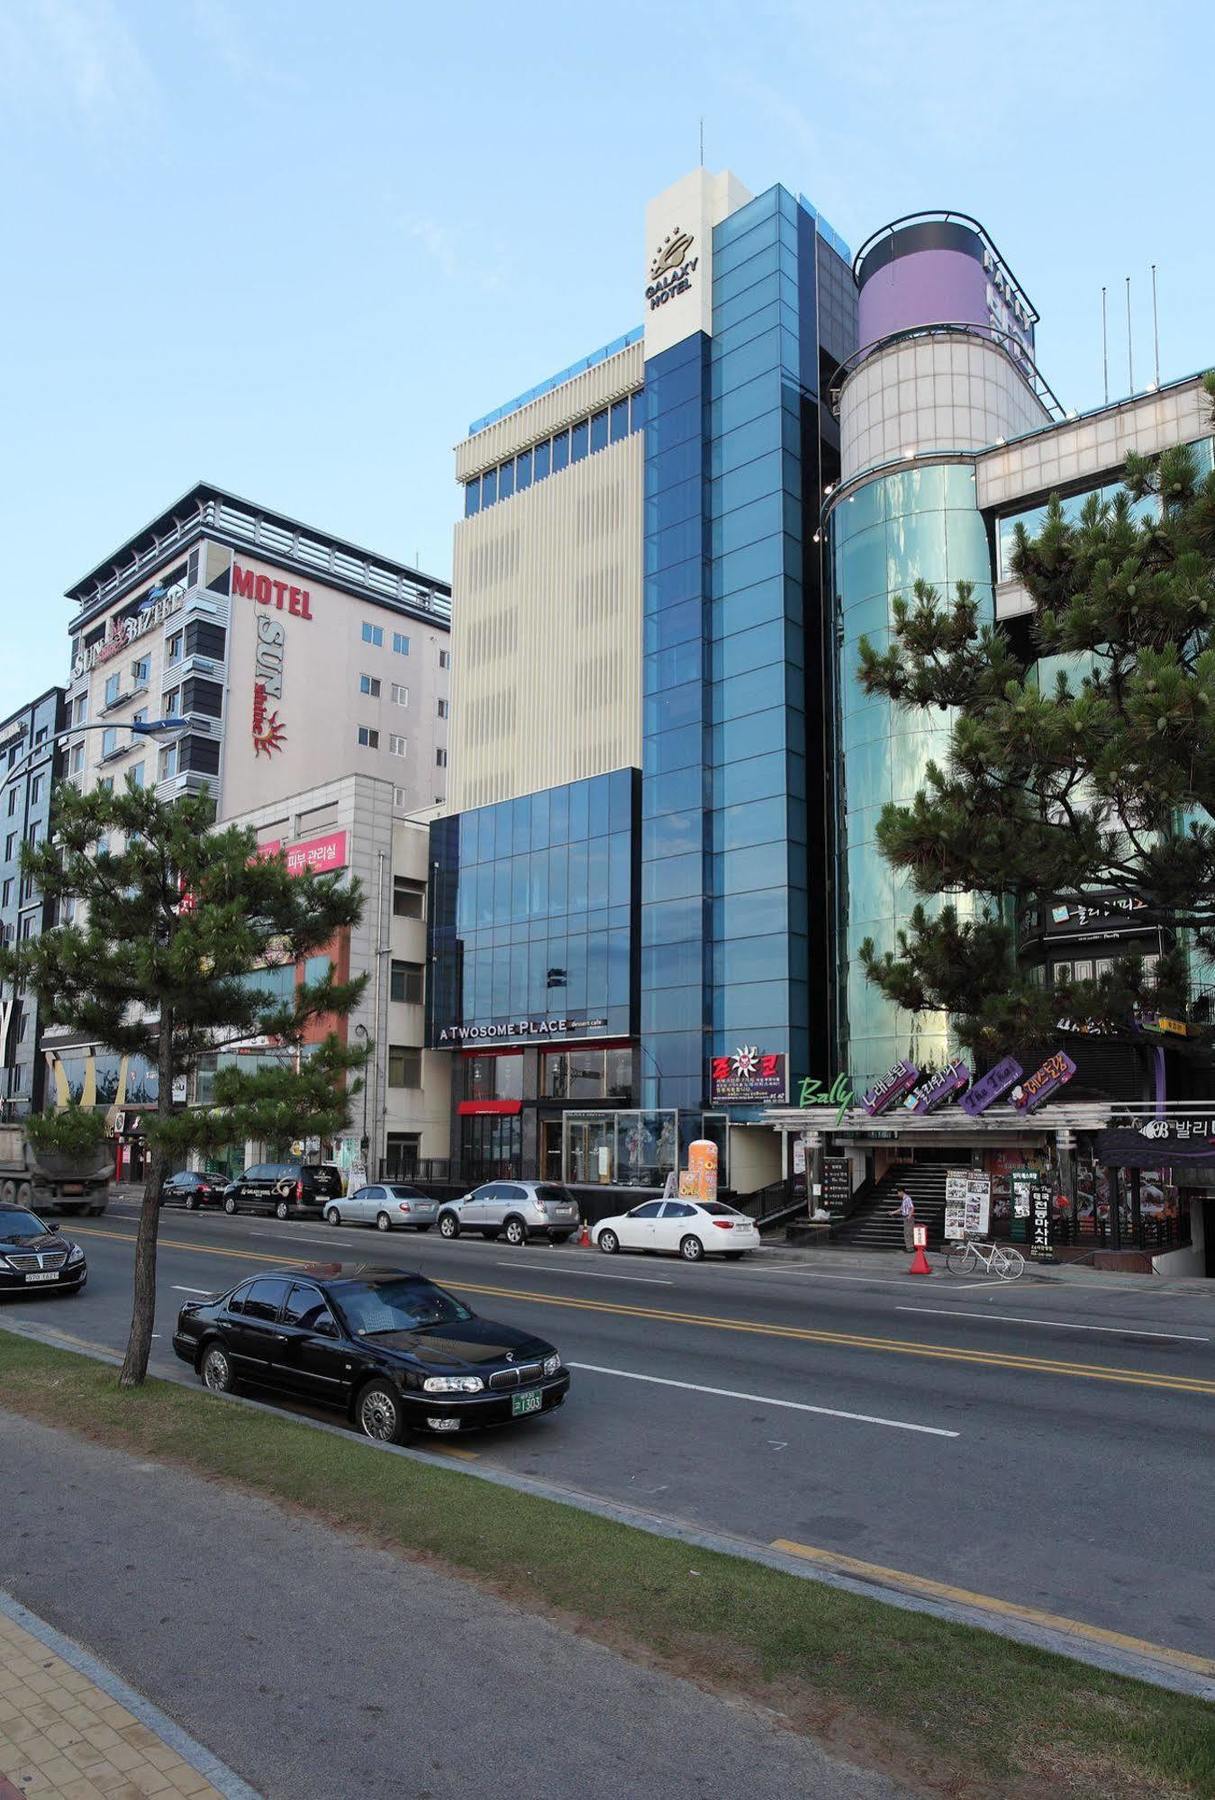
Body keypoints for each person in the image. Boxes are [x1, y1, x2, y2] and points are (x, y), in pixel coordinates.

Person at [896, 1188, 915, 1253]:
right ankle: (909, 1247)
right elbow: (901, 1209)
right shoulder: (904, 1200)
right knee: (907, 1232)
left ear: (901, 1192)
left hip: (908, 1217)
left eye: (898, 1193)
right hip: (906, 1217)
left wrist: (909, 1216)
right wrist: (893, 1212)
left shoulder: (907, 1199)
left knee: (908, 1233)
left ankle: (910, 1248)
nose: (898, 1194)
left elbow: (912, 1208)